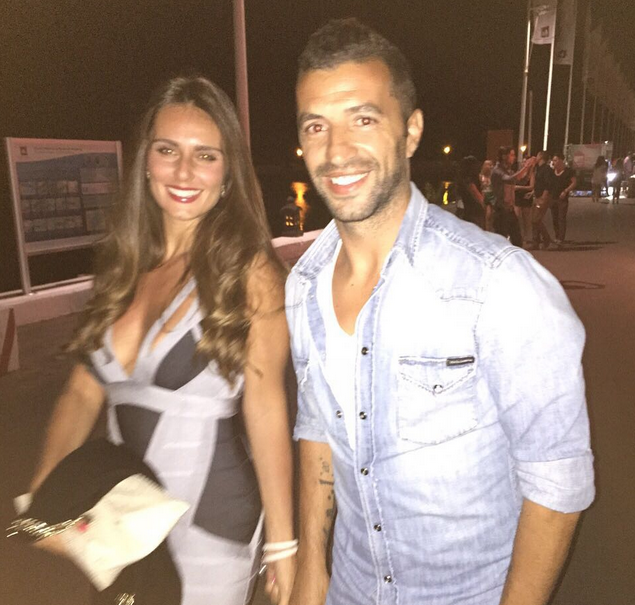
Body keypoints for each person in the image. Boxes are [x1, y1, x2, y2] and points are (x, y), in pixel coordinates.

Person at [287, 19, 594, 605]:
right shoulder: (303, 284)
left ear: (411, 132)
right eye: (316, 126)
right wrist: (309, 570)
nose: (337, 151)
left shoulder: (499, 284)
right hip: (350, 588)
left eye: (363, 119)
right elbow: (317, 428)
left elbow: (558, 481)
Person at [28, 77, 295, 605]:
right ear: (146, 162)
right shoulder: (123, 268)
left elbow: (266, 408)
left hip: (211, 528)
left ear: (228, 173)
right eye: (168, 150)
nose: (184, 171)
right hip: (122, 522)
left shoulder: (250, 273)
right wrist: (45, 495)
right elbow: (81, 392)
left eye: (206, 156)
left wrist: (283, 544)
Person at [491, 146, 535, 246]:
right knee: (501, 243)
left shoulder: (508, 171)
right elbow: (509, 179)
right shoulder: (497, 170)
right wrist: (526, 167)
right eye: (511, 155)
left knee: (517, 241)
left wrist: (530, 168)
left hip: (510, 211)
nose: (514, 157)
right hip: (501, 211)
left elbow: (522, 181)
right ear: (504, 156)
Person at [529, 150, 554, 250]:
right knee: (533, 219)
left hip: (543, 197)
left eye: (537, 155)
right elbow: (538, 183)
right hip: (537, 196)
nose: (536, 157)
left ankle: (546, 239)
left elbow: (548, 185)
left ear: (541, 157)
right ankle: (536, 241)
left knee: (536, 219)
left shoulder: (547, 169)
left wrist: (544, 197)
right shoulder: (538, 169)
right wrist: (533, 192)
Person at [549, 154, 576, 245]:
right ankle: (557, 236)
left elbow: (574, 183)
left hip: (562, 199)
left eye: (555, 160)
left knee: (561, 218)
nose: (554, 162)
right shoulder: (552, 172)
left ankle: (561, 238)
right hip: (553, 198)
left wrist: (566, 191)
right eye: (553, 160)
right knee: (554, 218)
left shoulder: (568, 172)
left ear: (561, 160)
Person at [456, 155, 486, 228]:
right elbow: (480, 199)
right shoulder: (469, 183)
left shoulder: (463, 181)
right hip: (475, 215)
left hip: (468, 213)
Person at [479, 159, 496, 232]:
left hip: (491, 196)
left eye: (491, 165)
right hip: (483, 195)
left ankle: (490, 230)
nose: (490, 166)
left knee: (490, 215)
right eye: (489, 165)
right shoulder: (481, 176)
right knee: (485, 215)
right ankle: (485, 230)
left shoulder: (493, 176)